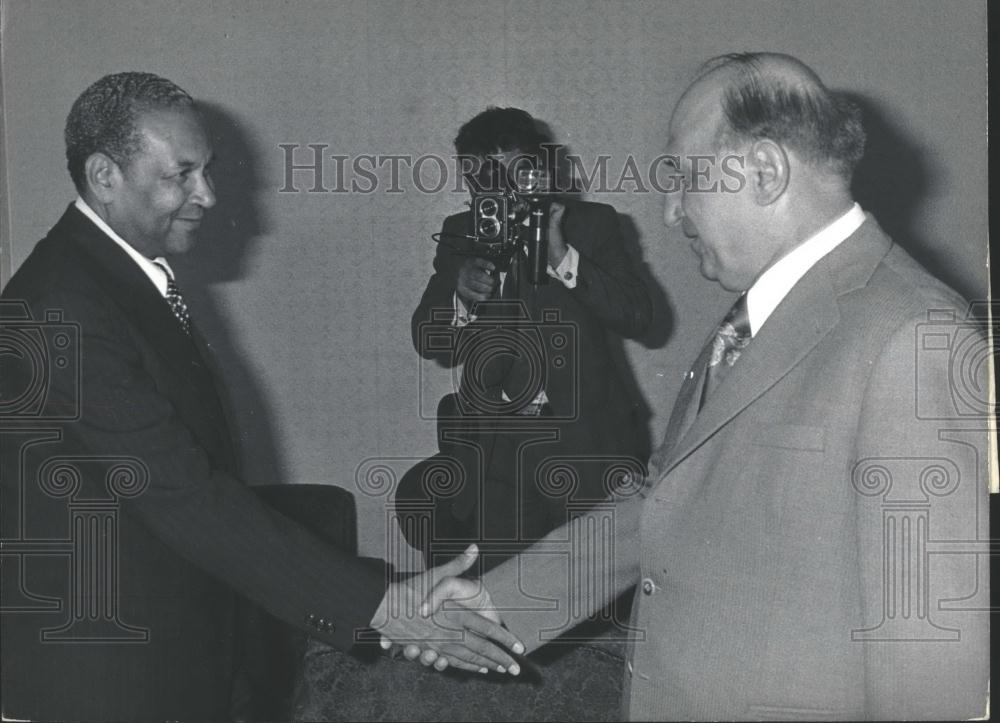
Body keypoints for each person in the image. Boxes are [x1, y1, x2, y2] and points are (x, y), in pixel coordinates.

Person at [418, 53, 990, 720]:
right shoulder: (761, 314)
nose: (670, 212)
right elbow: (664, 503)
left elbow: (930, 663)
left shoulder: (914, 336)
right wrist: (501, 602)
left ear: (766, 172)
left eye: (685, 178)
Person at [0, 72, 521, 722]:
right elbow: (185, 492)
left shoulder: (111, 280)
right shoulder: (63, 309)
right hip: (110, 678)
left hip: (177, 647)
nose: (209, 195)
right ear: (105, 176)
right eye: (182, 175)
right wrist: (388, 606)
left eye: (207, 171)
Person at [397, 107, 652, 572]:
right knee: (504, 579)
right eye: (483, 178)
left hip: (586, 438)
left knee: (594, 576)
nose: (503, 189)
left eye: (517, 172)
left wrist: (564, 255)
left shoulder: (593, 224)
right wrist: (460, 294)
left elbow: (640, 315)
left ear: (544, 170)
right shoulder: (462, 233)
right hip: (498, 445)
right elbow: (428, 338)